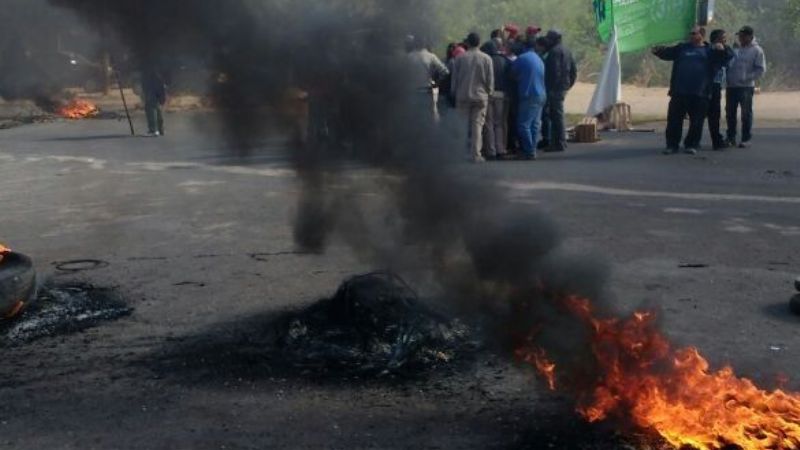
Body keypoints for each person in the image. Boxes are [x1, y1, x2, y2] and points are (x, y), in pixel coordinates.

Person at [652, 26, 731, 155]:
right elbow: (668, 53)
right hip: (679, 91)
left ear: (702, 35)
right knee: (674, 120)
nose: (691, 35)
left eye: (694, 33)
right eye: (690, 33)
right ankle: (672, 145)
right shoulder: (682, 48)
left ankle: (691, 144)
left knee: (697, 122)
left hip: (700, 92)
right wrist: (658, 50)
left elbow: (727, 57)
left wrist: (723, 48)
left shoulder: (710, 50)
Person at [451, 32, 494, 162]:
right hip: (480, 96)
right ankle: (476, 154)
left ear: (467, 43)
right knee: (477, 126)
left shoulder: (460, 58)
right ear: (479, 43)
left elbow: (455, 80)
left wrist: (454, 93)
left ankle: (459, 153)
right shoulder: (486, 58)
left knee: (462, 125)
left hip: (463, 96)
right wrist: (489, 93)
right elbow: (489, 80)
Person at [726, 25, 766, 148]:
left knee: (746, 113)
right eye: (740, 36)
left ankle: (746, 138)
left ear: (750, 36)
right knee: (730, 112)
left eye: (743, 36)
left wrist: (746, 77)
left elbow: (761, 69)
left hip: (746, 87)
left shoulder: (757, 50)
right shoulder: (736, 49)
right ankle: (730, 137)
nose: (741, 38)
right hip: (731, 86)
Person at [511, 37, 547, 160]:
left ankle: (529, 151)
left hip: (529, 95)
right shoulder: (539, 59)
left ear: (524, 47)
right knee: (535, 125)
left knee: (523, 125)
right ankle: (532, 150)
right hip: (541, 95)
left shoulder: (522, 58)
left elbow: (512, 73)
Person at [542, 30, 577, 152]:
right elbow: (573, 70)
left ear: (553, 39)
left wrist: (551, 87)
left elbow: (555, 72)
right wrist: (568, 85)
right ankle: (559, 141)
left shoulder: (553, 52)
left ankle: (559, 143)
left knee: (556, 115)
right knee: (557, 114)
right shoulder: (567, 50)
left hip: (555, 88)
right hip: (563, 87)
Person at [406, 35, 449, 121]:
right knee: (426, 118)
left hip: (411, 91)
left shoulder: (409, 57)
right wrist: (437, 83)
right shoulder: (431, 56)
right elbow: (445, 72)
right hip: (426, 91)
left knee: (412, 118)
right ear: (424, 44)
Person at [481, 40, 512, 160]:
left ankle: (491, 150)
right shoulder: (506, 60)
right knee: (500, 123)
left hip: (489, 94)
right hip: (502, 94)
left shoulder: (486, 61)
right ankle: (501, 149)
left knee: (489, 123)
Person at [706, 29, 734, 150]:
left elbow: (730, 55)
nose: (725, 39)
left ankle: (716, 141)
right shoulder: (707, 49)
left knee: (715, 115)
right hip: (706, 85)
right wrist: (716, 49)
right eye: (723, 37)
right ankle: (692, 141)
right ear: (716, 38)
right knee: (698, 115)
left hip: (717, 85)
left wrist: (722, 49)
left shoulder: (725, 48)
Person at [141, 65, 167, 137]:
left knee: (151, 107)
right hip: (158, 82)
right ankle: (160, 129)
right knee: (156, 106)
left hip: (153, 83)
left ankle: (154, 129)